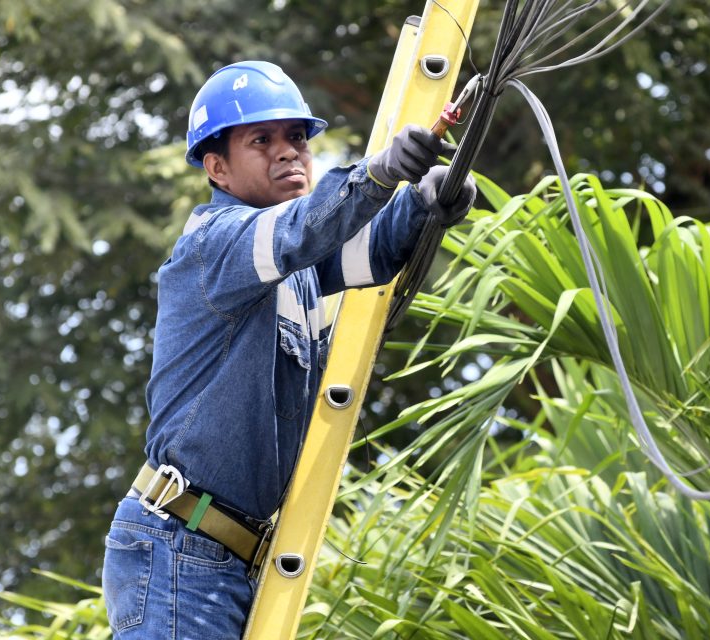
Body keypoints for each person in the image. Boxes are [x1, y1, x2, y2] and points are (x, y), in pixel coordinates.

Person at [99, 60, 476, 638]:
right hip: (178, 547)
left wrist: (425, 204)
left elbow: (365, 252)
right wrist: (378, 172)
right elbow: (305, 229)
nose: (288, 152)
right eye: (262, 140)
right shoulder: (216, 244)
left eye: (297, 138)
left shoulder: (291, 269)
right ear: (217, 167)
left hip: (219, 556)